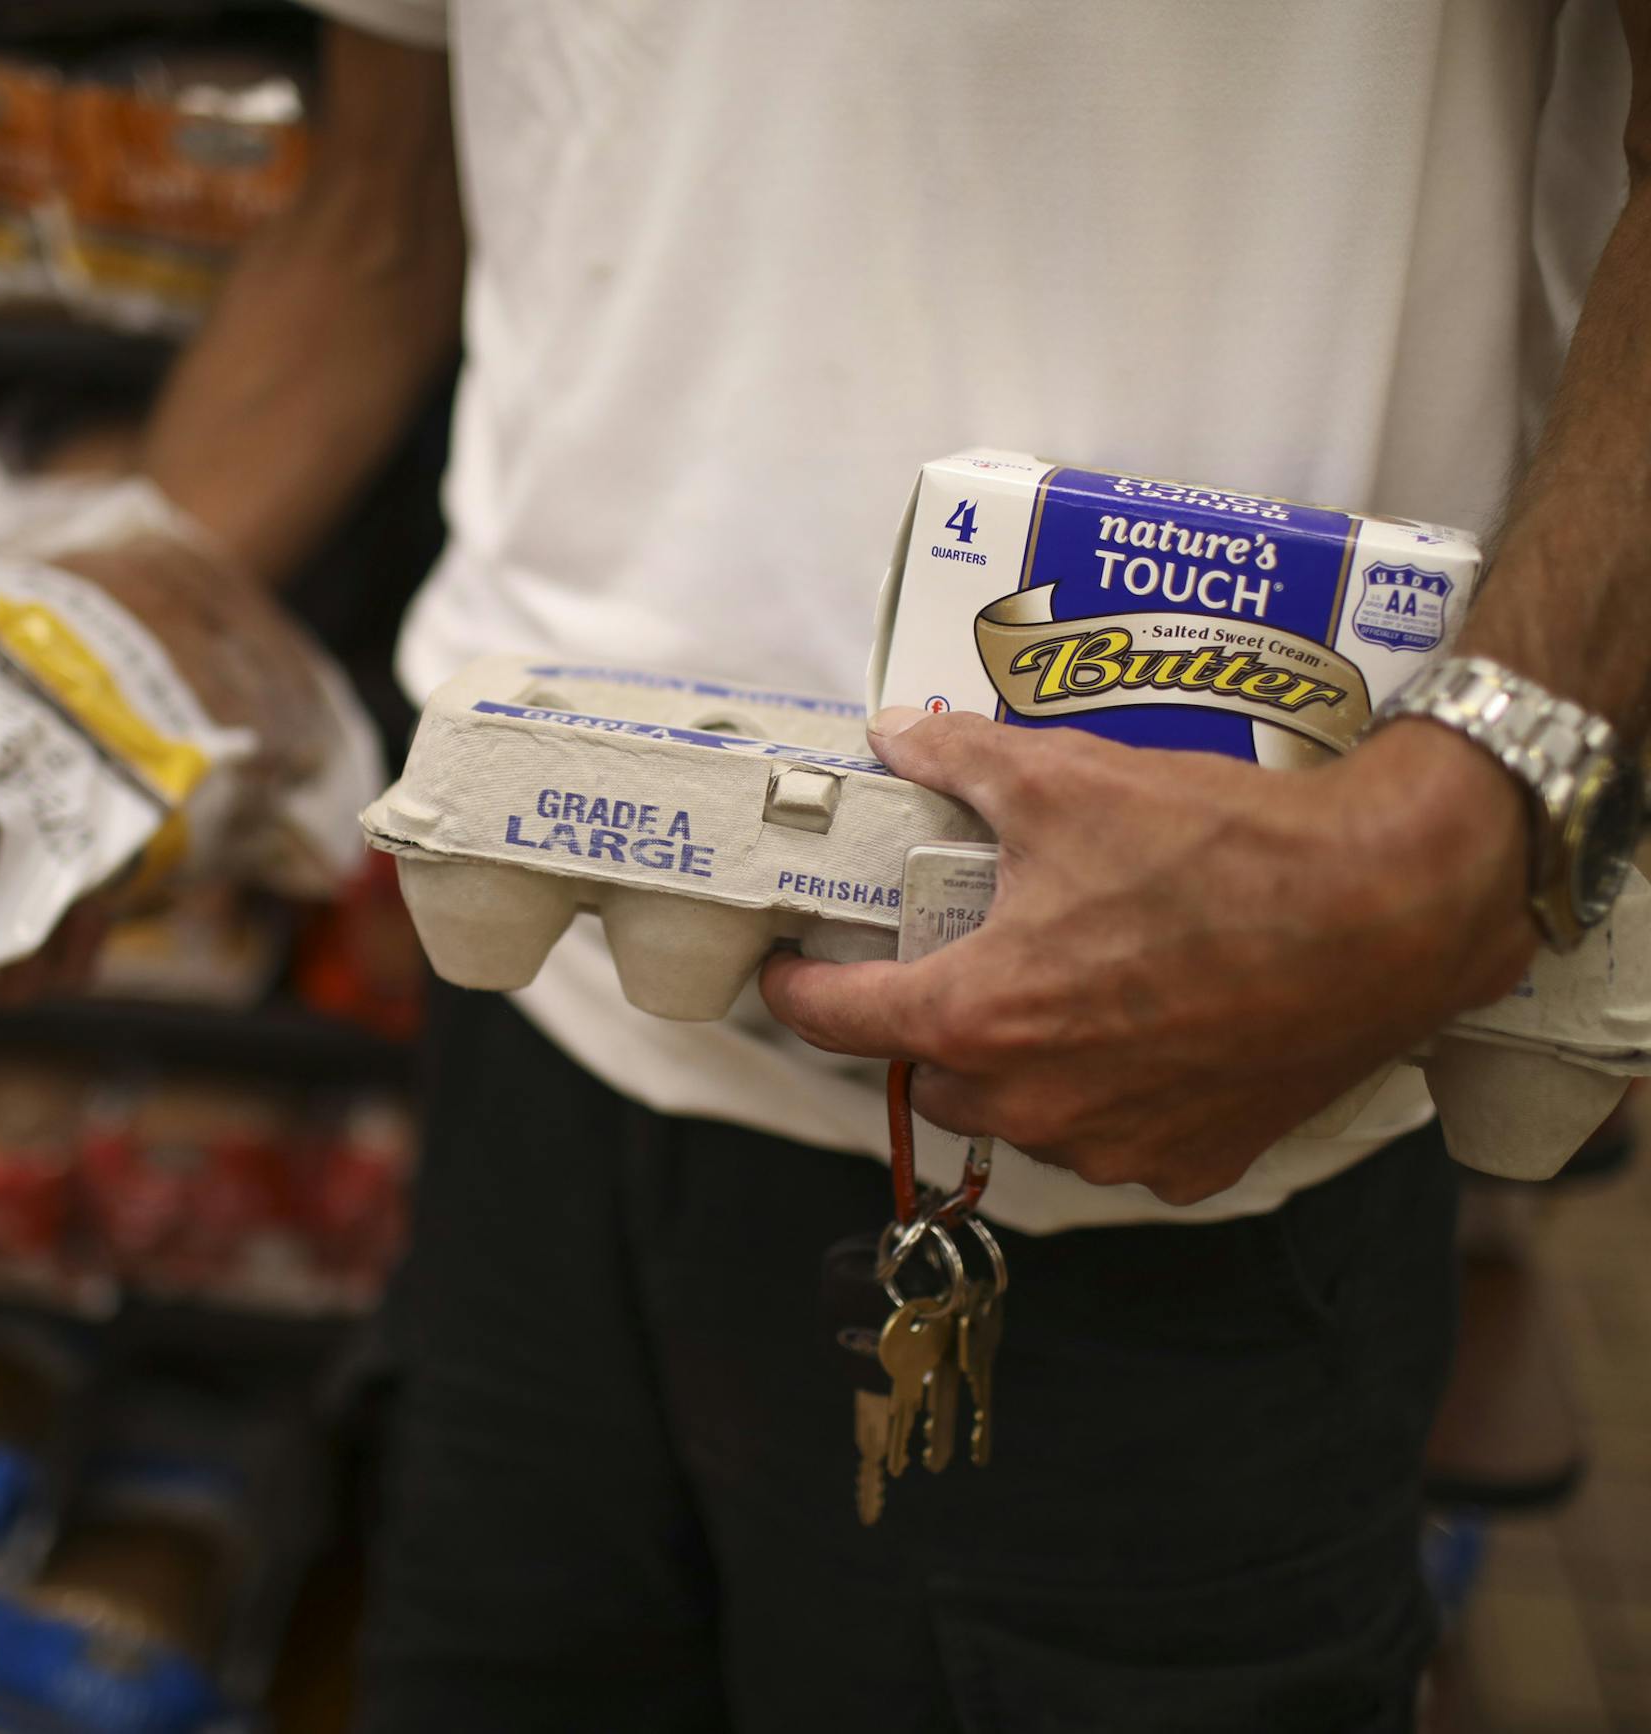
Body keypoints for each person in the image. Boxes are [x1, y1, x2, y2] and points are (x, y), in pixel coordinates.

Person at [141, 6, 1651, 1729]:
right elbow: (373, 220)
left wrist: (1469, 828)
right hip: (541, 1013)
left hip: (1179, 1154)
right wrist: (23, 664)